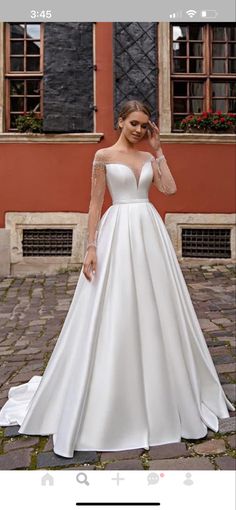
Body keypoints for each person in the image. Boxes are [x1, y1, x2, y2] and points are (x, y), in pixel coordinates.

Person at [0, 99, 234, 459]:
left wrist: (158, 151)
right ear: (120, 121)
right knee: (116, 303)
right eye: (134, 124)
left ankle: (163, 381)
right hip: (117, 231)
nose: (139, 130)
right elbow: (95, 204)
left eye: (144, 125)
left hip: (149, 232)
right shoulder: (103, 157)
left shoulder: (146, 157)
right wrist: (90, 247)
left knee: (158, 306)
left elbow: (169, 190)